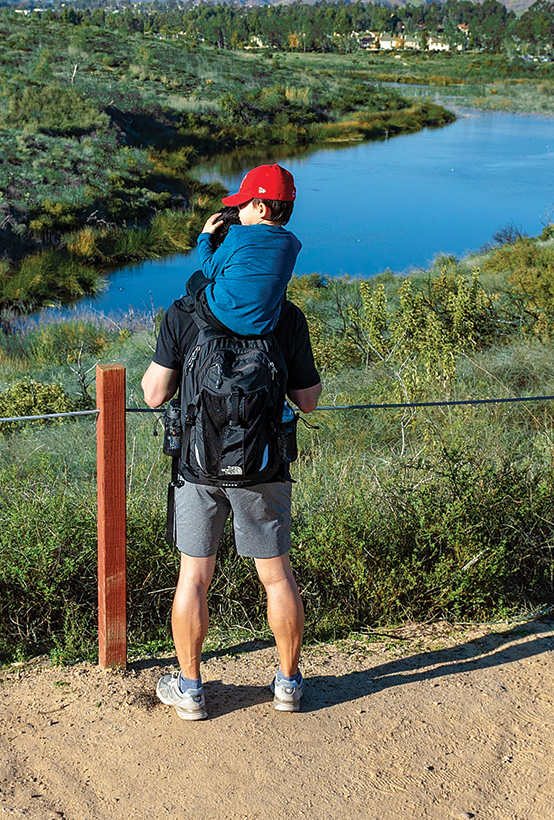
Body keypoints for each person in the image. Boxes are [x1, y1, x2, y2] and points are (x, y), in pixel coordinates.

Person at [140, 288, 323, 721]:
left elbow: (153, 394)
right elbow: (308, 401)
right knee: (277, 578)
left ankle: (190, 690)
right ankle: (289, 686)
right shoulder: (284, 314)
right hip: (264, 470)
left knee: (194, 578)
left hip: (198, 470)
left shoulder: (185, 312)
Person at [191, 163, 302, 337]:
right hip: (264, 326)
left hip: (221, 317)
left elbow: (209, 269)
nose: (238, 209)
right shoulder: (293, 244)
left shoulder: (238, 235)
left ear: (261, 209)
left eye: (242, 203)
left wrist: (204, 236)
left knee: (196, 279)